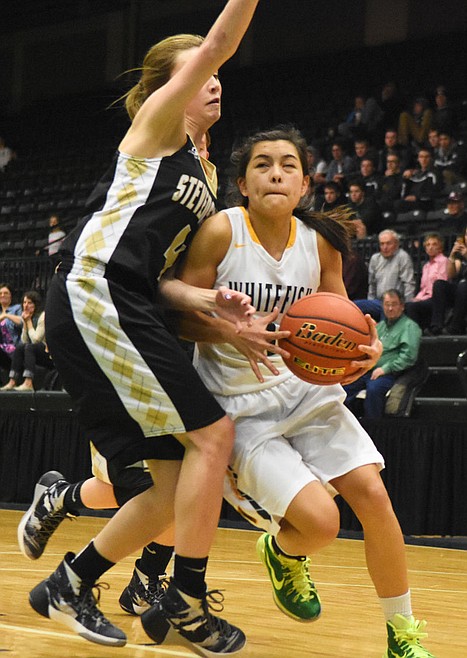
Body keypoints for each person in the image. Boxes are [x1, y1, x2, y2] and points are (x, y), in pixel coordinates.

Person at [26, 2, 276, 653]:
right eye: (201, 73)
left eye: (216, 74)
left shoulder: (205, 174)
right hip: (95, 288)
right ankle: (185, 598)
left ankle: (68, 584)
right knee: (213, 435)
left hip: (129, 299)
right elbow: (219, 42)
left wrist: (208, 298)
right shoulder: (157, 127)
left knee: (165, 488)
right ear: (172, 85)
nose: (214, 80)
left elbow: (161, 278)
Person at [176, 126, 436, 658]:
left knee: (375, 498)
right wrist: (229, 332)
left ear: (304, 184)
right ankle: (284, 552)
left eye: (288, 165)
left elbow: (343, 321)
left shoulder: (319, 243)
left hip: (306, 394)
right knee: (322, 524)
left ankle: (403, 634)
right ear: (242, 184)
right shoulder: (221, 232)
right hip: (240, 406)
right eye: (263, 164)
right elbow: (177, 318)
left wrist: (366, 351)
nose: (276, 173)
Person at [344, 288, 421, 419]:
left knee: (374, 389)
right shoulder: (380, 327)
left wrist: (385, 369)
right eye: (387, 304)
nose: (390, 308)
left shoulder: (410, 327)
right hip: (369, 370)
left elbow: (409, 357)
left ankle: (373, 427)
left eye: (394, 304)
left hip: (391, 373)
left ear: (402, 306)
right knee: (345, 386)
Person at [354, 229, 416, 321]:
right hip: (378, 301)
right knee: (353, 306)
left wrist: (406, 305)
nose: (385, 247)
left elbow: (409, 283)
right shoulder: (375, 259)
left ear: (396, 244)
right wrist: (370, 302)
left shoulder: (403, 257)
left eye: (388, 243)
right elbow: (372, 284)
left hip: (395, 302)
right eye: (382, 244)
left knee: (387, 307)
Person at [1, 290, 54, 391]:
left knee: (30, 347)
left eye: (29, 303)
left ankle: (28, 382)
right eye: (24, 302)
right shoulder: (28, 317)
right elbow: (24, 341)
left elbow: (36, 340)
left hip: (49, 353)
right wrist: (25, 323)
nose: (26, 305)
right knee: (20, 347)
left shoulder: (42, 316)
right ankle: (12, 381)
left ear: (36, 304)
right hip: (34, 350)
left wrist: (28, 322)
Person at [424, 226, 467, 336]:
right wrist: (452, 256)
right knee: (439, 284)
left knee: (463, 285)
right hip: (460, 291)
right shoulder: (462, 253)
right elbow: (451, 274)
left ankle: (456, 327)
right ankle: (436, 326)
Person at [404, 233, 449, 330]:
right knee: (409, 305)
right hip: (426, 297)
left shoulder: (444, 261)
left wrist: (422, 299)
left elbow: (441, 283)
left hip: (437, 298)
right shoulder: (426, 266)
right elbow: (423, 288)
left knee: (413, 306)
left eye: (434, 244)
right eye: (428, 245)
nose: (430, 247)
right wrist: (418, 298)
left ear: (440, 248)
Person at [395, 148, 441, 214]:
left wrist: (417, 197)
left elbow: (435, 192)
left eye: (426, 157)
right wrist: (404, 179)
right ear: (418, 159)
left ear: (431, 158)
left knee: (399, 204)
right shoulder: (413, 174)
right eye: (421, 157)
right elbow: (403, 191)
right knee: (396, 203)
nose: (424, 160)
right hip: (411, 201)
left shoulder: (435, 174)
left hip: (426, 202)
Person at [0, 283, 22, 379]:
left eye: (6, 293)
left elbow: (22, 322)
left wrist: (6, 315)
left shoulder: (17, 308)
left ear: (11, 296)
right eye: (0, 293)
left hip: (14, 347)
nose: (2, 295)